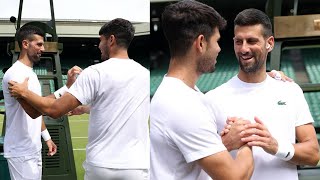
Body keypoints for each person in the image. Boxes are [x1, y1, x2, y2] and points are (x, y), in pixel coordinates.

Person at [8, 18, 150, 180]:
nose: (99, 46)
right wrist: (85, 108)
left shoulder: (95, 72)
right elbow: (118, 102)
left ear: (111, 40)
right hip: (137, 166)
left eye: (101, 41)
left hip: (102, 165)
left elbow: (54, 110)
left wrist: (25, 93)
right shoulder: (144, 74)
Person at [205, 8, 320, 180]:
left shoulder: (290, 91)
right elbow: (201, 159)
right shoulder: (213, 98)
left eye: (252, 41)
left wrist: (276, 146)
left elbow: (313, 154)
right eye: (239, 41)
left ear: (270, 43)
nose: (244, 49)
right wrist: (227, 143)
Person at [150, 1, 254, 180]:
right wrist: (246, 139)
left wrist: (224, 143)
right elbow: (236, 177)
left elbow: (184, 157)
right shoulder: (183, 104)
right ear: (201, 43)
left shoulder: (178, 92)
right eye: (216, 41)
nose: (219, 49)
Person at [2, 25, 58, 180]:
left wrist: (46, 137)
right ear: (25, 44)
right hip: (21, 151)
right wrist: (65, 89)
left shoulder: (30, 74)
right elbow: (34, 112)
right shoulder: (15, 74)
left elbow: (36, 110)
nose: (43, 48)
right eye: (39, 44)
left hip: (32, 148)